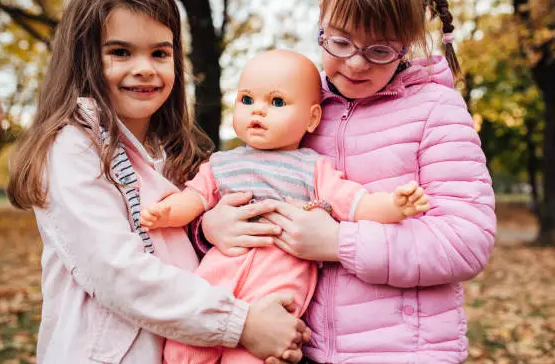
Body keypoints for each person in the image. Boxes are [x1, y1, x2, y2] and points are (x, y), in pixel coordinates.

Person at [197, 0, 496, 363]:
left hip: (404, 352)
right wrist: (209, 227)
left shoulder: (437, 111)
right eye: (339, 42)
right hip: (304, 347)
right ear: (322, 20)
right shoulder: (300, 104)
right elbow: (245, 178)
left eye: (379, 49)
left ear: (407, 41)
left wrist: (339, 243)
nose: (355, 64)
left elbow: (465, 241)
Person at [6, 0, 310, 364]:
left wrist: (207, 230)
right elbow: (116, 271)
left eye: (160, 53)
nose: (145, 68)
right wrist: (242, 323)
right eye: (120, 52)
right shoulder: (73, 147)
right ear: (85, 58)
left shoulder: (175, 152)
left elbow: (180, 249)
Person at [141, 49, 430, 364]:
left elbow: (356, 203)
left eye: (276, 102)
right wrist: (169, 213)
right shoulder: (222, 164)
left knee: (251, 358)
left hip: (272, 300)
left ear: (312, 119)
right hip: (216, 288)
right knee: (182, 352)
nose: (258, 112)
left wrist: (394, 206)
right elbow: (194, 199)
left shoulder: (313, 169)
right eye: (247, 100)